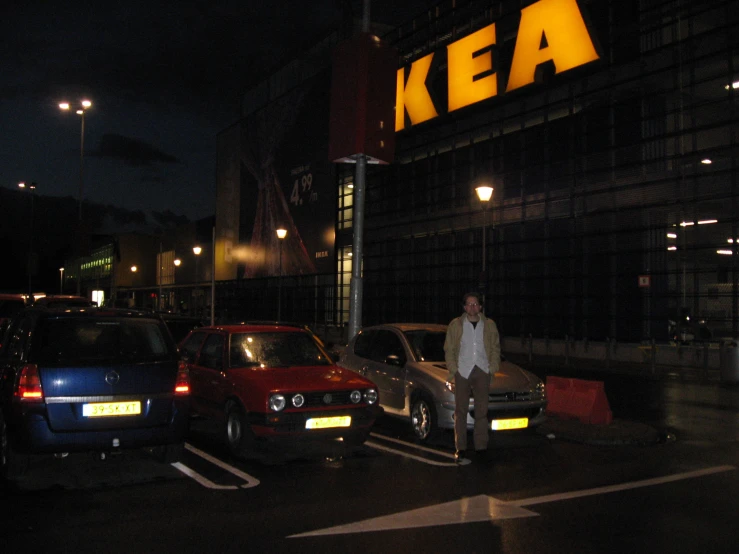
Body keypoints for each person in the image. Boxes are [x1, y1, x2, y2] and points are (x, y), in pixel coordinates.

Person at [443, 292, 500, 463]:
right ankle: (461, 447)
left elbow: (495, 347)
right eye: (469, 304)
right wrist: (454, 368)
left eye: (475, 304)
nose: (472, 307)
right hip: (463, 371)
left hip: (482, 369)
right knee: (460, 411)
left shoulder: (489, 325)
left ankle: (481, 446)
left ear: (480, 307)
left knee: (482, 411)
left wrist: (492, 367)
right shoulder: (456, 325)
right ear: (464, 307)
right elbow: (449, 348)